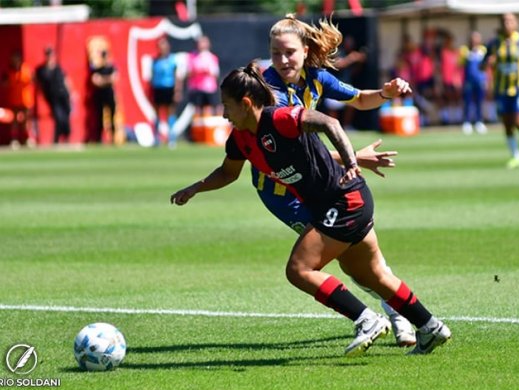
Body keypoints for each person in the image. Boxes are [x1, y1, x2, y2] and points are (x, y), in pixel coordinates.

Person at [170, 61, 452, 356]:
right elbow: (228, 173)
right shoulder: (241, 139)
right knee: (371, 275)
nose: (224, 114)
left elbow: (331, 124)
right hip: (338, 204)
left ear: (245, 103)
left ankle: (367, 320)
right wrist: (195, 189)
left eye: (226, 106)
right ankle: (430, 326)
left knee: (299, 269)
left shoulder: (280, 118)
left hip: (345, 200)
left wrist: (352, 162)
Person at [262, 15, 419, 347]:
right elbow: (294, 157)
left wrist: (386, 93)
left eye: (289, 52)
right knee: (346, 253)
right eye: (275, 53)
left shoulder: (316, 78)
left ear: (305, 50)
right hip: (281, 188)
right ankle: (390, 313)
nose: (282, 60)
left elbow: (361, 99)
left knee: (354, 250)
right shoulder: (269, 90)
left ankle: (392, 313)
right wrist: (353, 158)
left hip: (314, 177)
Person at [481, 13, 519, 169]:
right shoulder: (493, 43)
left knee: (518, 119)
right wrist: (488, 62)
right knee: (507, 123)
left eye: (510, 21)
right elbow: (482, 64)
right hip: (500, 88)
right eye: (504, 21)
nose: (507, 23)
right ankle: (515, 156)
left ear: (516, 23)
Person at [35, 47, 72, 144]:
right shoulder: (41, 70)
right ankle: (57, 138)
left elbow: (66, 80)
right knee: (58, 117)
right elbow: (37, 84)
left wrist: (71, 93)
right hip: (52, 97)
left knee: (66, 117)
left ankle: (64, 136)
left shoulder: (58, 68)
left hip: (63, 95)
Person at [151, 37, 182, 148]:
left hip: (169, 88)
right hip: (158, 88)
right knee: (157, 114)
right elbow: (152, 76)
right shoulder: (155, 61)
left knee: (170, 113)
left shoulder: (172, 60)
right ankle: (156, 138)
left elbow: (177, 77)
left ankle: (171, 138)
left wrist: (177, 90)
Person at [4, 51, 35, 149]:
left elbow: (33, 79)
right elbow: (5, 83)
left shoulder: (26, 69)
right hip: (14, 99)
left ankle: (28, 139)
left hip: (26, 100)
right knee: (14, 120)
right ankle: (14, 140)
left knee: (26, 120)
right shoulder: (10, 71)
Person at [459, 31, 488, 135]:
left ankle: (479, 122)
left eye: (476, 38)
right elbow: (460, 64)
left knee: (479, 102)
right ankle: (466, 122)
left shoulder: (483, 50)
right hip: (468, 81)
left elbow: (486, 66)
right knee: (467, 102)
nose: (474, 40)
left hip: (480, 81)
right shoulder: (464, 51)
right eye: (473, 38)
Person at [187, 35, 221, 116]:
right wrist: (197, 72)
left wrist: (206, 71)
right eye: (200, 42)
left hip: (209, 89)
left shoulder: (212, 57)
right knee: (198, 110)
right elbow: (188, 73)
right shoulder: (191, 57)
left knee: (212, 109)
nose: (202, 44)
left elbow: (216, 74)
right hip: (196, 89)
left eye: (204, 42)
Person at [89, 50, 117, 144]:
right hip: (100, 95)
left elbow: (113, 79)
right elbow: (95, 81)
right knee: (100, 117)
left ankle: (113, 137)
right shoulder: (98, 69)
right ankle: (99, 138)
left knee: (112, 116)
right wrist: (107, 79)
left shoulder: (112, 68)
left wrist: (102, 80)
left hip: (109, 94)